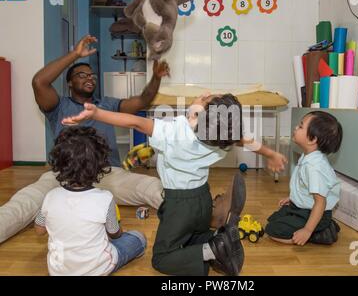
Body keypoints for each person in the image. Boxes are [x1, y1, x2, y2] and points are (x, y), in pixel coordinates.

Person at [62, 93, 288, 276]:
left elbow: (135, 122)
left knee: (162, 258)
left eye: (206, 101)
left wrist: (97, 113)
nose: (204, 95)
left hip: (180, 204)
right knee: (192, 234)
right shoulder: (223, 139)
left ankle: (212, 249)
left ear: (197, 119)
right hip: (202, 198)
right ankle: (217, 240)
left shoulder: (176, 132)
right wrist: (271, 154)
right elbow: (244, 140)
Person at [0, 35, 169, 244]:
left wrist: (156, 77)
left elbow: (142, 101)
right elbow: (39, 82)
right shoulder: (57, 105)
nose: (90, 78)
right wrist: (75, 55)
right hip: (62, 176)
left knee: (152, 187)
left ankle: (199, 215)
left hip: (106, 174)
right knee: (23, 203)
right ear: (70, 83)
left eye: (92, 76)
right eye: (82, 75)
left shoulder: (106, 104)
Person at [34, 126, 147, 276]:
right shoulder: (105, 198)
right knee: (139, 237)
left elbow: (39, 230)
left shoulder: (51, 196)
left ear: (60, 163)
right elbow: (115, 234)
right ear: (99, 166)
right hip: (97, 269)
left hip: (58, 271)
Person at [265, 111, 343, 246]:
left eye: (301, 126)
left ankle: (319, 233)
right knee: (274, 219)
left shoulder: (314, 167)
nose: (296, 127)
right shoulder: (308, 156)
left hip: (314, 212)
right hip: (303, 208)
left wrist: (307, 230)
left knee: (272, 230)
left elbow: (320, 203)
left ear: (312, 139)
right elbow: (305, 186)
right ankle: (324, 226)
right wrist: (293, 197)